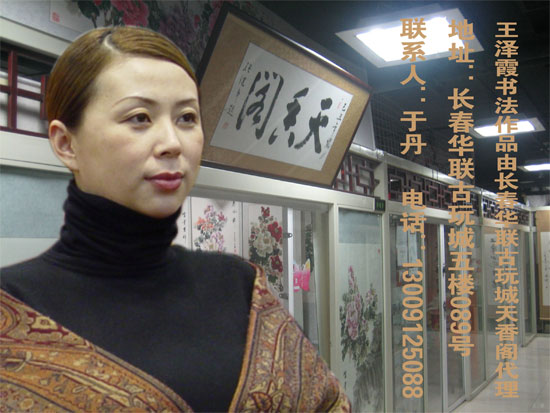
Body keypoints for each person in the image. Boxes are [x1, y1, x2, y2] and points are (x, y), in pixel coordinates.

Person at [0, 26, 350, 412]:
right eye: (139, 118)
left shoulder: (240, 287)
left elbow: (328, 402)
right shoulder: (13, 306)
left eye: (186, 118)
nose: (172, 143)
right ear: (66, 143)